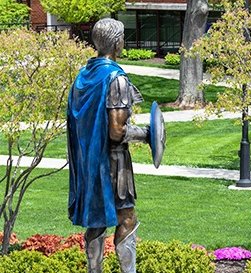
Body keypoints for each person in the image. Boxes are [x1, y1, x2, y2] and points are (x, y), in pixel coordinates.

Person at [66, 18, 149, 273]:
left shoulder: (83, 76)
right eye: (123, 37)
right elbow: (116, 130)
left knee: (96, 220)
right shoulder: (116, 78)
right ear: (116, 42)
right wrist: (146, 134)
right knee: (126, 217)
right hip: (114, 163)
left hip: (89, 160)